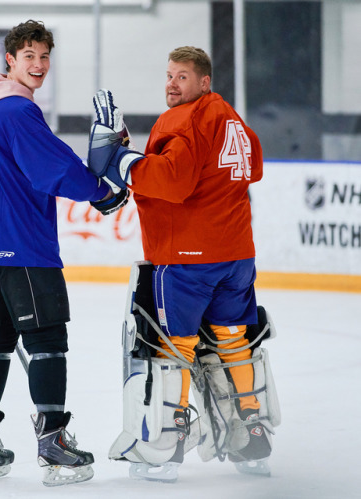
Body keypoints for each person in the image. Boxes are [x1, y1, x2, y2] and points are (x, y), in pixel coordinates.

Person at [0, 19, 126, 486]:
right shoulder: (17, 112)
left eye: (45, 57)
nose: (39, 65)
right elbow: (51, 166)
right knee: (47, 340)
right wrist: (101, 192)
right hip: (21, 245)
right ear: (10, 60)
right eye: (29, 57)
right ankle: (53, 446)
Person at [88, 46, 274, 479]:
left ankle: (163, 450)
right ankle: (253, 440)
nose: (173, 84)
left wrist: (121, 159)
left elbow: (172, 182)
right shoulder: (231, 118)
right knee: (233, 341)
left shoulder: (184, 119)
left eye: (183, 77)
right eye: (169, 75)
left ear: (204, 82)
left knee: (174, 345)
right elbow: (253, 168)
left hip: (187, 258)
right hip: (235, 256)